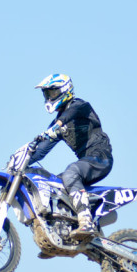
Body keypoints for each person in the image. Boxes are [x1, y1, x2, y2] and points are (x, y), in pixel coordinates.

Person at [29, 73, 113, 240]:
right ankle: (61, 233)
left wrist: (58, 125)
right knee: (50, 184)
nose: (49, 97)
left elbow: (70, 114)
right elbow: (41, 151)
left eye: (52, 93)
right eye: (47, 94)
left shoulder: (80, 106)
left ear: (64, 89)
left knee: (70, 173)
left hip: (100, 157)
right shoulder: (57, 123)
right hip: (85, 162)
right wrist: (22, 161)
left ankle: (86, 221)